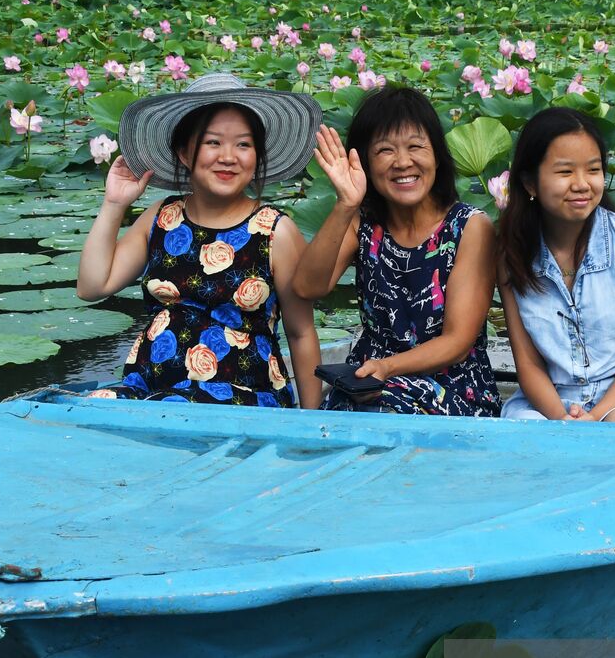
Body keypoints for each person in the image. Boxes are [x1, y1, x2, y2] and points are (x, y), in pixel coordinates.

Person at [76, 73, 323, 408]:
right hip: (149, 388)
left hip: (240, 396)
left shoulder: (275, 230)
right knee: (92, 406)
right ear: (184, 152)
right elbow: (93, 286)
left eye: (243, 144)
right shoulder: (162, 217)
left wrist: (312, 422)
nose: (228, 157)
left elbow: (301, 333)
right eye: (212, 142)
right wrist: (114, 204)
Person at [292, 85, 500, 416]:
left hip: (452, 388)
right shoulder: (364, 222)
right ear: (364, 162)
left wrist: (387, 368)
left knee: (381, 414)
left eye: (416, 146)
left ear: (437, 154)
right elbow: (307, 287)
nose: (403, 162)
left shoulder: (469, 227)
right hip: (367, 385)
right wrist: (346, 204)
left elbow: (458, 342)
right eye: (385, 151)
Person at [495, 107, 615, 424]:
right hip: (546, 403)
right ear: (530, 183)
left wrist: (594, 418)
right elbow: (529, 365)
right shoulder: (511, 252)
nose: (582, 184)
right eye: (565, 172)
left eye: (593, 170)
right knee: (529, 432)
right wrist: (561, 420)